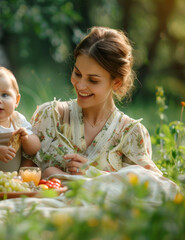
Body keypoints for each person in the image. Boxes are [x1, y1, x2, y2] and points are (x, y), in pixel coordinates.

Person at [24, 26, 164, 179]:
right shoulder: (51, 117)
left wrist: (92, 174)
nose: (80, 85)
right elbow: (22, 177)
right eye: (77, 73)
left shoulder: (130, 134)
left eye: (93, 80)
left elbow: (152, 186)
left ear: (116, 83)